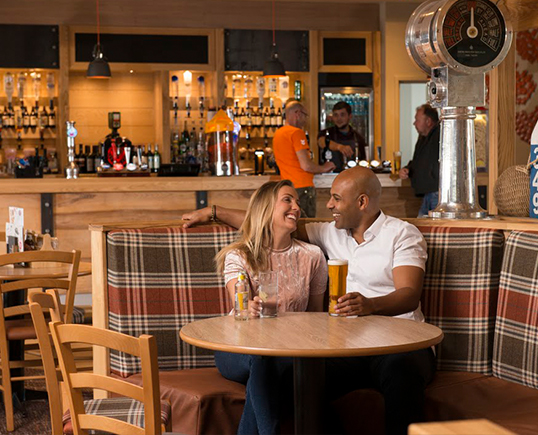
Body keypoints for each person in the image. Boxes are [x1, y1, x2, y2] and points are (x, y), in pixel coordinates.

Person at [182, 167, 435, 435]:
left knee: (400, 372)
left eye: (336, 199)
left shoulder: (401, 233)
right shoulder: (331, 232)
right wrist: (215, 212)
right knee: (291, 376)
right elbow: (267, 221)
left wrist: (370, 305)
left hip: (402, 344)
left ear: (361, 202)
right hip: (352, 350)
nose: (329, 205)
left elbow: (409, 294)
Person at [213, 179, 328, 435]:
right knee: (261, 357)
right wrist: (249, 307)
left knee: (269, 368)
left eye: (297, 201)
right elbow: (239, 299)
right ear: (265, 209)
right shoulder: (239, 256)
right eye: (287, 200)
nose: (296, 207)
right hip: (237, 348)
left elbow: (318, 318)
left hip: (289, 351)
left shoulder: (313, 257)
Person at [273, 101, 335, 218]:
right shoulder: (296, 133)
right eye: (305, 115)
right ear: (298, 113)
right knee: (306, 226)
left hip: (288, 186)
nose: (305, 120)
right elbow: (306, 165)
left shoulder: (278, 134)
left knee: (292, 223)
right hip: (303, 188)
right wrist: (324, 167)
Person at [399, 104, 441, 217]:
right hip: (428, 193)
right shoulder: (423, 137)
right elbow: (418, 161)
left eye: (417, 120)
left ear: (428, 121)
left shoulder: (440, 136)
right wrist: (407, 169)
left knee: (430, 229)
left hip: (436, 194)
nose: (414, 123)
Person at [317, 101, 367, 172]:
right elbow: (321, 142)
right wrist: (339, 147)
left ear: (350, 116)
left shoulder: (358, 137)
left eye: (342, 115)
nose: (338, 118)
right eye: (336, 115)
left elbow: (363, 162)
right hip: (329, 177)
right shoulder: (326, 133)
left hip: (352, 177)